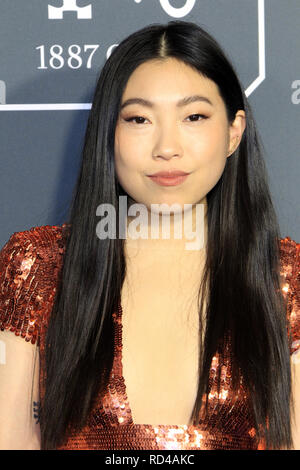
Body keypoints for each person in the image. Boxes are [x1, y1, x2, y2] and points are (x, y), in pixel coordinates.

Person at [0, 20, 299, 451]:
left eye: (194, 116)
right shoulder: (38, 266)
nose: (166, 146)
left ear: (234, 132)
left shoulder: (288, 278)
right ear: (110, 132)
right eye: (139, 119)